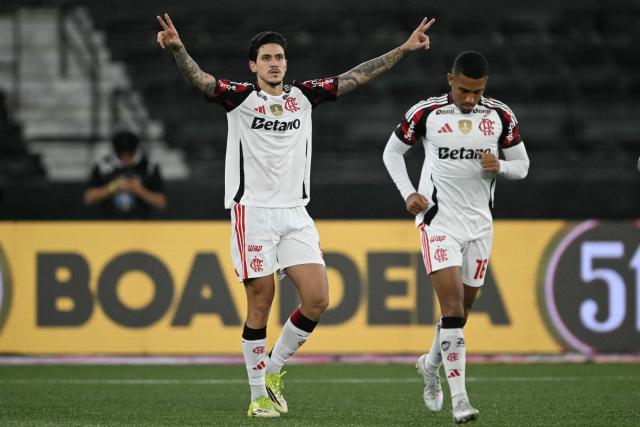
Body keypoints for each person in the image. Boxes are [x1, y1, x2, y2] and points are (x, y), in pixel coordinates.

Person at [156, 13, 435, 418]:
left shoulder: (304, 96)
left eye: (280, 57)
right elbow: (200, 80)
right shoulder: (239, 98)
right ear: (253, 65)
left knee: (318, 299)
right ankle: (255, 398)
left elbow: (356, 75)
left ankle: (272, 370)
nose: (274, 63)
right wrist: (179, 49)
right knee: (260, 302)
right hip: (252, 212)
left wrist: (405, 49)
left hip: (295, 213)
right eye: (266, 57)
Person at [382, 51, 529, 424]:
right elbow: (392, 153)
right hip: (438, 222)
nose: (470, 99)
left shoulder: (500, 116)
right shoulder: (427, 113)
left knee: (461, 312)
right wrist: (408, 194)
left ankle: (429, 366)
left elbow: (523, 166)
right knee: (450, 309)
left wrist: (503, 167)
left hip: (480, 225)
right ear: (450, 80)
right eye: (464, 90)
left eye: (477, 92)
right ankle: (460, 400)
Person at [83, 130, 167, 218]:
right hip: (109, 227)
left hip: (141, 227)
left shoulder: (149, 167)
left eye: (130, 154)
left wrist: (139, 190)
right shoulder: (103, 166)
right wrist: (113, 187)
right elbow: (88, 198)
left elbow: (161, 202)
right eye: (121, 155)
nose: (126, 158)